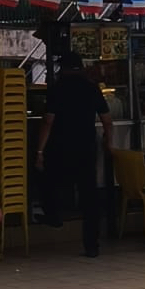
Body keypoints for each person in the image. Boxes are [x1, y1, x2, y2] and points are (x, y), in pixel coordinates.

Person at [39, 49, 112, 257]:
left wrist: (39, 151)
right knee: (90, 195)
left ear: (64, 68)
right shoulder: (92, 88)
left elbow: (47, 122)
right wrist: (109, 142)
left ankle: (54, 216)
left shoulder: (57, 89)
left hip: (60, 147)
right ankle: (92, 245)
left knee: (49, 180)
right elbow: (107, 120)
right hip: (86, 147)